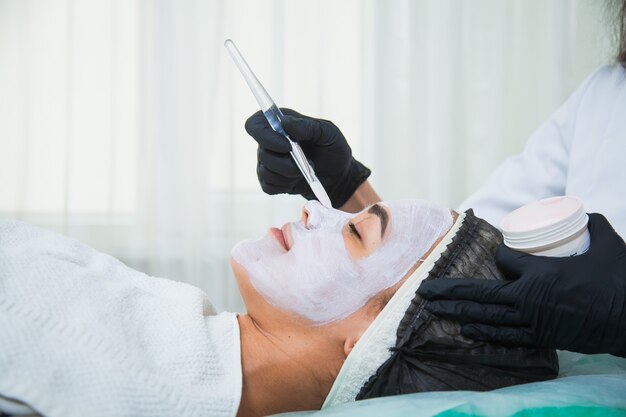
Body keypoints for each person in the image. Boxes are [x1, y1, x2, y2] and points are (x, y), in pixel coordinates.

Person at [244, 1, 626, 358]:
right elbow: (442, 263)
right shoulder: (608, 94)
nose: (311, 212)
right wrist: (346, 188)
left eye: (356, 231)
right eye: (358, 232)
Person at [0, 199, 558, 417]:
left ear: (368, 342)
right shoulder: (164, 337)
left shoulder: (111, 363)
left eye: (359, 232)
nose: (316, 208)